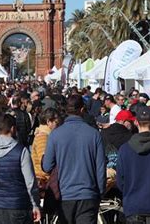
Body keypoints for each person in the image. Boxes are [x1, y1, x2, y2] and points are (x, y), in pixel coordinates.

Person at [42, 94, 106, 224]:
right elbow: (100, 168)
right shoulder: (94, 134)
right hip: (88, 194)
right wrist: (100, 193)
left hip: (65, 194)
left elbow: (47, 166)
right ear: (82, 110)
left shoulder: (56, 134)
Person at [0, 114, 41, 223]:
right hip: (19, 205)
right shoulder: (21, 151)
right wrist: (35, 204)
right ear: (12, 128)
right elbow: (30, 182)